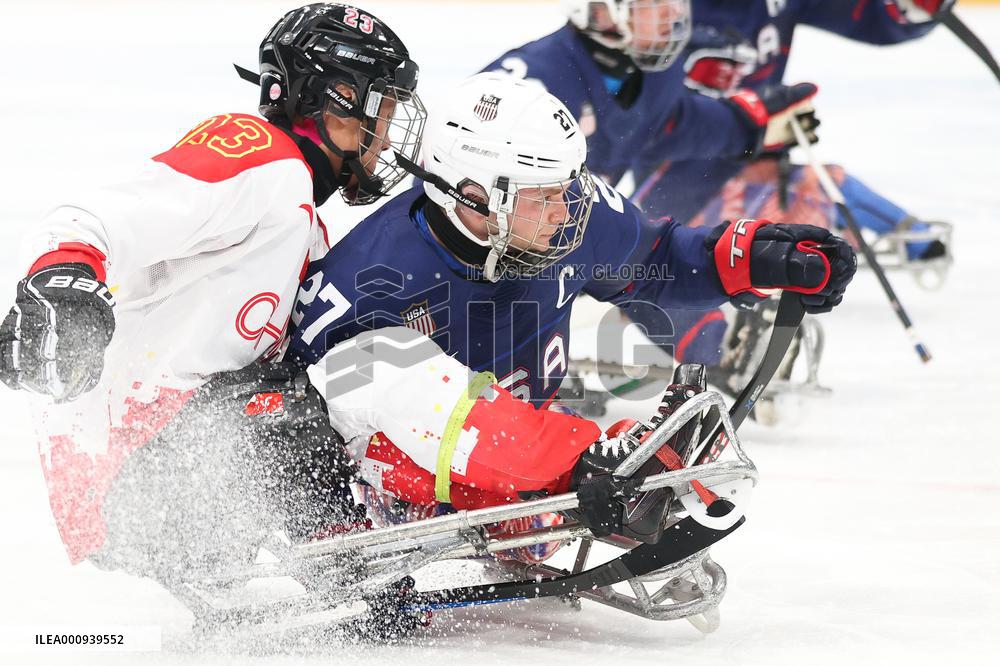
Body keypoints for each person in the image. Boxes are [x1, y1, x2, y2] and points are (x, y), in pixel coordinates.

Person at [286, 73, 856, 555]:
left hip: (521, 449)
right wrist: (584, 469)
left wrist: (752, 259)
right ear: (472, 194)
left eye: (565, 188)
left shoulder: (562, 213)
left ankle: (575, 479)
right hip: (380, 486)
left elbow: (656, 256)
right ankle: (579, 473)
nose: (565, 212)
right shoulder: (366, 282)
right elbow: (307, 424)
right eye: (541, 196)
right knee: (386, 380)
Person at [0, 3, 426, 579]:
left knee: (336, 383)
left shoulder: (306, 226)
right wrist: (61, 279)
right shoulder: (259, 154)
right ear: (333, 99)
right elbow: (94, 216)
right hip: (128, 478)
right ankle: (343, 565)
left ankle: (344, 547)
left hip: (182, 483)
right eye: (382, 110)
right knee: (290, 404)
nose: (384, 139)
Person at [624, 0, 954, 384]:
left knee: (827, 182)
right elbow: (642, 117)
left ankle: (915, 239)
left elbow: (870, 18)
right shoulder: (670, 10)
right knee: (647, 262)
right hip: (681, 190)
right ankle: (717, 348)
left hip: (741, 168)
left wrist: (915, 8)